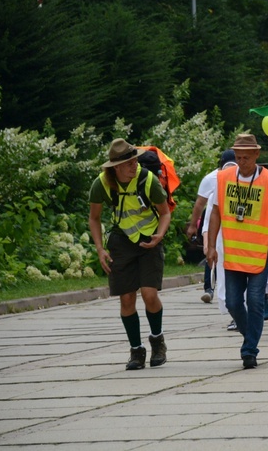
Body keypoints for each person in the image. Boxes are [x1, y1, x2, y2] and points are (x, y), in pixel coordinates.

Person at [206, 134, 268, 370]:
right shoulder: (223, 179)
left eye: (246, 157)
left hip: (258, 251)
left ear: (257, 155)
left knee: (254, 300)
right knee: (232, 302)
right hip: (232, 252)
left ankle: (249, 350)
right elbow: (215, 213)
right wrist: (211, 246)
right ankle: (250, 336)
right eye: (238, 157)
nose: (242, 162)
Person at [88, 139, 172, 370]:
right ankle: (136, 350)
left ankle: (157, 340)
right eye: (127, 163)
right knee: (126, 298)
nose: (133, 165)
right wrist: (100, 249)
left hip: (149, 239)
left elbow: (165, 213)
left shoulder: (148, 180)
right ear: (115, 167)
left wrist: (159, 235)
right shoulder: (102, 183)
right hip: (121, 241)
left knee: (149, 294)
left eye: (134, 160)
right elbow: (94, 218)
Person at [186, 149, 235, 304]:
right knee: (210, 250)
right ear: (220, 167)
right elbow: (200, 204)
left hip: (234, 223)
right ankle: (209, 288)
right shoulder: (211, 179)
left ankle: (231, 288)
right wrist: (193, 225)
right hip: (212, 220)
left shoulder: (244, 177)